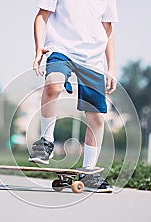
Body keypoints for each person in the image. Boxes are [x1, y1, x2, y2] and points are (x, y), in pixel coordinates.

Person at [29, 0, 118, 193]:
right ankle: (46, 141)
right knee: (54, 84)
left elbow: (108, 28)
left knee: (96, 117)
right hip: (61, 49)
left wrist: (111, 67)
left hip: (93, 58)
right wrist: (38, 49)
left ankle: (88, 172)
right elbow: (42, 16)